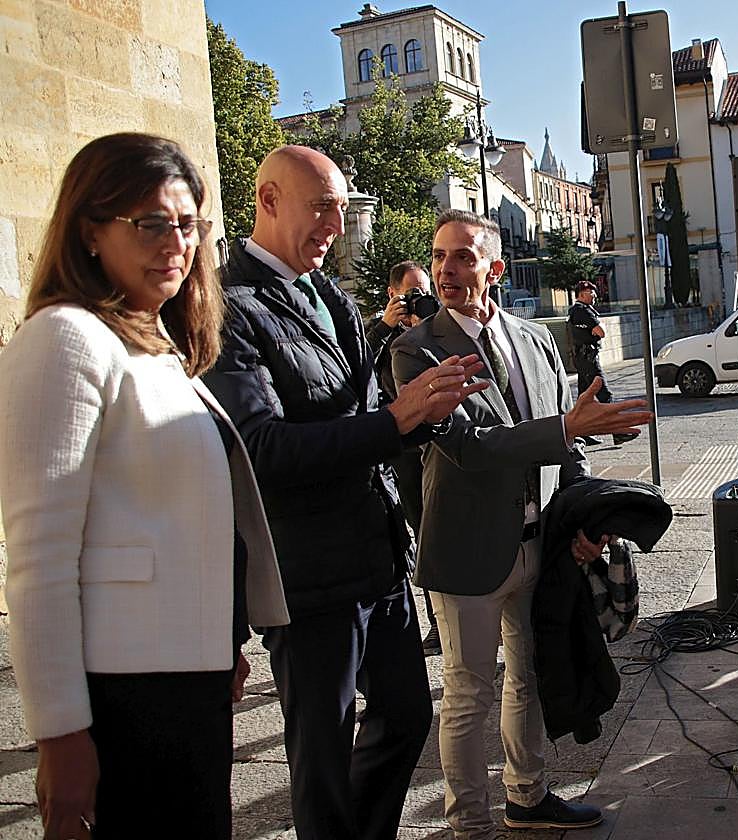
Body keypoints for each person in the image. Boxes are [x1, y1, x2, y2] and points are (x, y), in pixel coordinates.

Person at [0, 132, 289, 840]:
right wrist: (60, 735)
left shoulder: (155, 344)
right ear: (91, 231)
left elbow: (178, 522)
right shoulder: (67, 338)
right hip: (121, 696)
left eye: (189, 225)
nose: (176, 243)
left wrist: (217, 644)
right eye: (152, 223)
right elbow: (39, 561)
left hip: (186, 682)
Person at [202, 146, 487, 840]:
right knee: (322, 761)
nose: (337, 220)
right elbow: (264, 449)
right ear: (268, 201)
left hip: (377, 555)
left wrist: (423, 415)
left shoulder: (328, 292)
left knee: (408, 716)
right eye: (321, 205)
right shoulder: (226, 306)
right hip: (307, 578)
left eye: (340, 205)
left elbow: (367, 420)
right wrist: (398, 416)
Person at [392, 209, 653, 840]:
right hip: (467, 551)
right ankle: (470, 825)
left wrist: (587, 520)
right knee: (466, 694)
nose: (447, 270)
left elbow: (572, 436)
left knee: (530, 676)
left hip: (540, 542)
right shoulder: (416, 349)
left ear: (495, 268)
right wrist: (568, 428)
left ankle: (527, 797)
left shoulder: (536, 339)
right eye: (439, 256)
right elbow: (468, 446)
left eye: (463, 257)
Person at [364, 260, 442, 654]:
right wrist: (384, 328)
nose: (417, 302)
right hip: (404, 454)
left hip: (438, 446)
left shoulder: (434, 327)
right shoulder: (373, 336)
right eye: (409, 295)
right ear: (392, 295)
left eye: (422, 293)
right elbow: (355, 371)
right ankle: (436, 621)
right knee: (422, 533)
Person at [567, 280, 635, 446]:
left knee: (584, 397)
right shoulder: (583, 311)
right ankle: (618, 432)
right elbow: (602, 332)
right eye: (591, 292)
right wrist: (596, 330)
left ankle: (582, 433)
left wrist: (594, 330)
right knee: (604, 394)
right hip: (588, 359)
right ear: (582, 294)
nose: (595, 295)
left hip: (583, 358)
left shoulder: (576, 310)